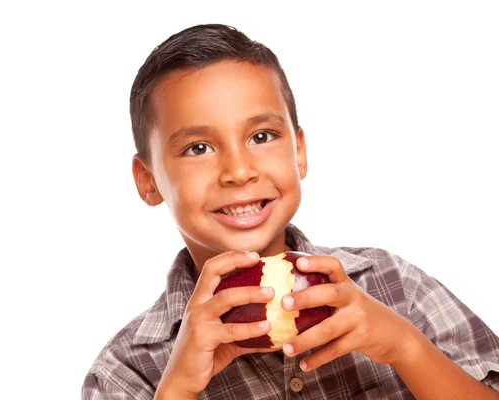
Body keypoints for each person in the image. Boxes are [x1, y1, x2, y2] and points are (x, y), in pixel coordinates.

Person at [82, 24, 499, 399]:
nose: (239, 171)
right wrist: (176, 389)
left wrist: (405, 347)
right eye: (198, 148)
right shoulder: (125, 372)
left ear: (299, 151)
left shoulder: (394, 288)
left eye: (261, 136)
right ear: (148, 180)